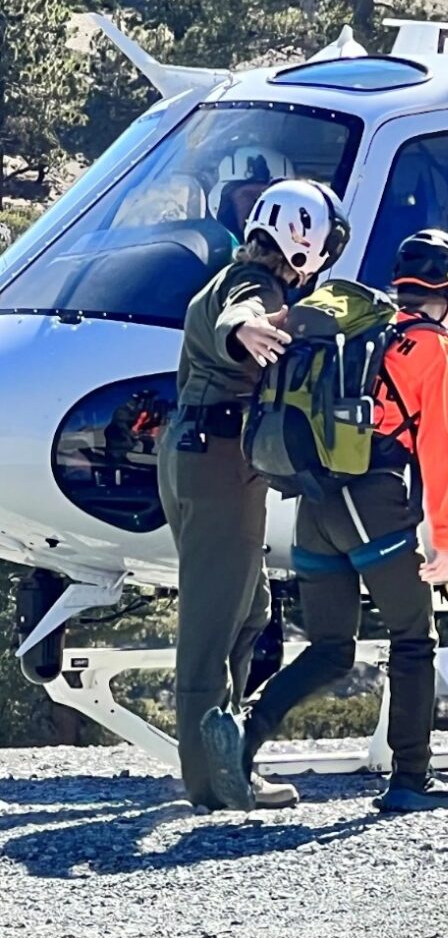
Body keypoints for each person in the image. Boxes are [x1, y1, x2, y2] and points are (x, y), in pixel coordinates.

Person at [200, 228, 448, 815]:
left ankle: (243, 740)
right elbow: (436, 449)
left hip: (314, 502)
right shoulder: (437, 348)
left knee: (331, 648)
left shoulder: (365, 330)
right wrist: (444, 538)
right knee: (414, 637)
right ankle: (409, 781)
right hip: (370, 500)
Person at [158, 178, 349, 810]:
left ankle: (228, 752)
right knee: (214, 626)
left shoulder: (230, 278)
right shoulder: (254, 290)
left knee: (249, 612)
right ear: (306, 242)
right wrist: (250, 333)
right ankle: (213, 783)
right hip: (217, 465)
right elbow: (239, 317)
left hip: (199, 457)